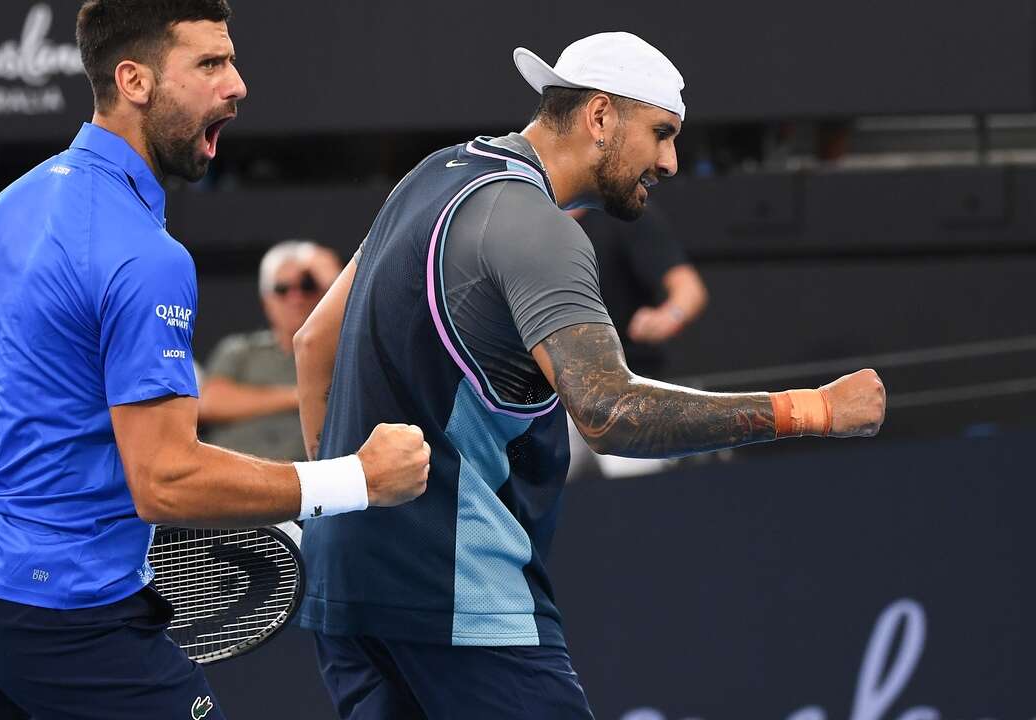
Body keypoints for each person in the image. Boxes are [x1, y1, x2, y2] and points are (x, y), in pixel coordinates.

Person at [292, 32, 885, 718]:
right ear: (600, 116)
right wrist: (811, 409)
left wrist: (345, 506)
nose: (670, 160)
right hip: (458, 596)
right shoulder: (539, 229)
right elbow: (609, 413)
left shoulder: (436, 171)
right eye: (661, 133)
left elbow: (313, 343)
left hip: (345, 588)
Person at [0, 2, 428, 719]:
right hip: (63, 616)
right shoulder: (146, 258)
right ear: (134, 80)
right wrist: (356, 478)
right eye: (209, 64)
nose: (237, 86)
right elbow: (165, 480)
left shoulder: (3, 210)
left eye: (230, 61)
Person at [199, 240, 342, 461]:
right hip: (233, 480)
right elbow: (210, 402)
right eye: (282, 289)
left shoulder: (339, 355)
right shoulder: (239, 350)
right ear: (267, 301)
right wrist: (301, 397)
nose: (296, 298)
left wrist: (336, 285)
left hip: (308, 486)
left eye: (307, 286)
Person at [572, 203, 707, 380]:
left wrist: (669, 316)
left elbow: (689, 288)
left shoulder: (624, 217)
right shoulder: (534, 223)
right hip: (554, 375)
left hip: (625, 372)